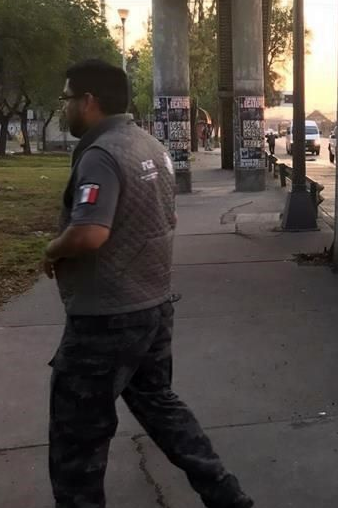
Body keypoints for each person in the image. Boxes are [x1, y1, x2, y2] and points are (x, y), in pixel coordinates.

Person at [42, 60, 253, 508]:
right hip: (152, 307)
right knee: (161, 406)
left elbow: (90, 232)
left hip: (104, 320)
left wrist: (53, 249)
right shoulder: (150, 145)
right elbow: (165, 217)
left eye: (66, 99)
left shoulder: (102, 154)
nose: (64, 108)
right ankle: (225, 494)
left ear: (88, 101)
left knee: (77, 438)